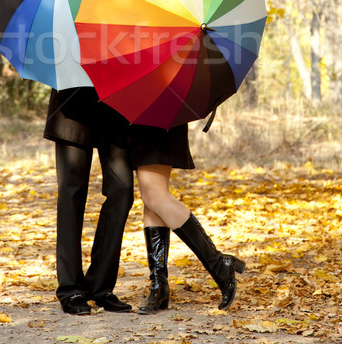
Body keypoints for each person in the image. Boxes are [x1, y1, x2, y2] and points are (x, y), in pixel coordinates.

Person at [129, 123, 245, 314]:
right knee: (152, 202)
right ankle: (159, 286)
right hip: (141, 117)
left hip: (156, 116)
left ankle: (219, 264)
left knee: (155, 196)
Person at [44, 87, 134, 315]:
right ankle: (70, 288)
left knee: (122, 191)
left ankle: (100, 286)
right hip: (73, 97)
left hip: (115, 101)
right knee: (72, 192)